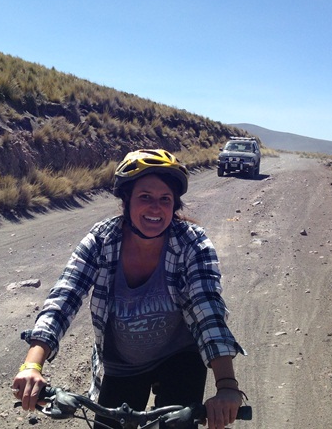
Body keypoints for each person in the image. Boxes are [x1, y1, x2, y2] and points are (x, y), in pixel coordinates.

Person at [12, 149, 246, 429]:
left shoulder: (192, 243)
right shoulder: (101, 240)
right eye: (145, 197)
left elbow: (207, 308)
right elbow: (65, 295)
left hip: (180, 358)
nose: (156, 208)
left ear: (175, 205)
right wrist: (32, 365)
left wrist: (227, 386)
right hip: (123, 363)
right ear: (126, 201)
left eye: (165, 199)